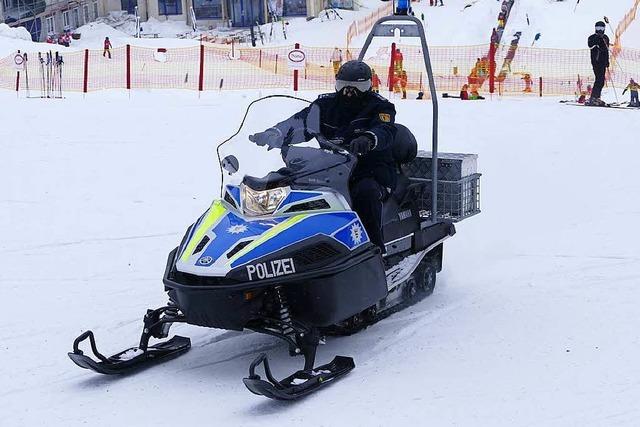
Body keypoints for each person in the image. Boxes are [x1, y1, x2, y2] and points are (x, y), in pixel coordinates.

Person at [250, 60, 397, 249]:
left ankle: (373, 250)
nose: (349, 92)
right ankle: (263, 238)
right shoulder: (325, 105)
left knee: (365, 193)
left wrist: (369, 138)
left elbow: (385, 128)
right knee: (282, 181)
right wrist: (275, 133)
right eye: (343, 86)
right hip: (330, 165)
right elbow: (301, 122)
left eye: (358, 87)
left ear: (369, 85)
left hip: (369, 168)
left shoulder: (379, 106)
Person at [586, 21, 610, 106]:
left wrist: (607, 61)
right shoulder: (592, 37)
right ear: (595, 28)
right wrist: (598, 40)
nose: (600, 30)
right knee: (599, 79)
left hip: (603, 62)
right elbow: (590, 45)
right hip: (596, 61)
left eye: (602, 28)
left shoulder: (606, 37)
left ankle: (597, 97)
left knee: (601, 81)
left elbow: (606, 49)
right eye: (598, 28)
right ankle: (593, 98)